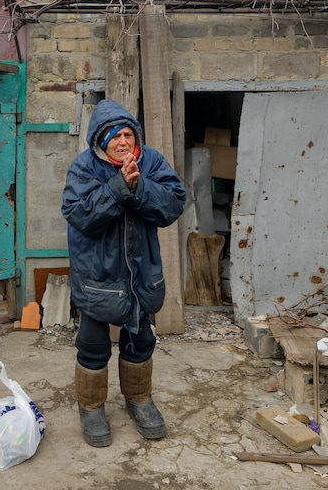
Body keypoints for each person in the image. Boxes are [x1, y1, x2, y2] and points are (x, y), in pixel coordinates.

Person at [61, 99, 186, 447]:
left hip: (140, 272)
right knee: (93, 344)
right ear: (101, 141)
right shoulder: (84, 168)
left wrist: (140, 188)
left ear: (137, 137)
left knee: (141, 340)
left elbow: (174, 203)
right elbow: (78, 214)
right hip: (97, 273)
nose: (122, 142)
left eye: (127, 134)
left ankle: (139, 400)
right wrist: (119, 188)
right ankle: (91, 406)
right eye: (113, 136)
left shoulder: (152, 162)